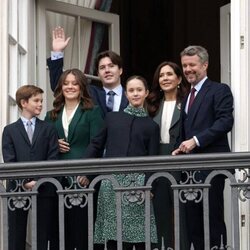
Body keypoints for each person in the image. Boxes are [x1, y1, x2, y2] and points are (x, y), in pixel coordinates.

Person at [85, 75, 160, 250]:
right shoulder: (112, 118)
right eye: (131, 90)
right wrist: (84, 170)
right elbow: (96, 144)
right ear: (126, 94)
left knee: (142, 238)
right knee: (113, 236)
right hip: (111, 182)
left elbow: (154, 159)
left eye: (139, 90)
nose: (135, 94)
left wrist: (150, 185)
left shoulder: (151, 126)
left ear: (146, 93)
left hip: (139, 185)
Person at [172, 45, 234, 249]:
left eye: (192, 65)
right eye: (184, 65)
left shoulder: (219, 89)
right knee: (193, 225)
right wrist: (179, 147)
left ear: (205, 65)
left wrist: (196, 140)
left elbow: (225, 122)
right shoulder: (186, 95)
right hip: (189, 170)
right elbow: (186, 129)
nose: (188, 69)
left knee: (212, 221)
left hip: (211, 167)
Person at [45, 68, 104, 250]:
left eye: (74, 83)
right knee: (59, 231)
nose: (70, 87)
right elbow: (43, 144)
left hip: (82, 179)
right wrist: (54, 142)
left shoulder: (92, 111)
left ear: (81, 87)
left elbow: (97, 143)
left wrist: (87, 172)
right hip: (57, 180)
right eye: (66, 83)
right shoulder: (51, 114)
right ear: (61, 87)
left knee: (82, 231)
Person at [2, 85, 59, 250]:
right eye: (36, 100)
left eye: (41, 100)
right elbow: (10, 161)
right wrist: (25, 182)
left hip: (45, 189)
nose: (40, 104)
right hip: (17, 190)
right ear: (23, 103)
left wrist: (38, 181)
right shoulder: (9, 130)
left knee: (42, 234)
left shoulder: (48, 128)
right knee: (16, 234)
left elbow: (52, 158)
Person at [147, 61, 190, 249]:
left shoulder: (188, 102)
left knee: (181, 212)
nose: (165, 78)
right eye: (161, 75)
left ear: (179, 78)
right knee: (160, 210)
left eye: (169, 74)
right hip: (157, 159)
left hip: (180, 160)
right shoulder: (152, 104)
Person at [47, 26, 128, 118]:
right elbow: (59, 86)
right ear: (98, 73)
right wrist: (57, 52)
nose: (107, 70)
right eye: (102, 67)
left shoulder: (132, 94)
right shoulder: (89, 92)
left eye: (111, 66)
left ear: (120, 70)